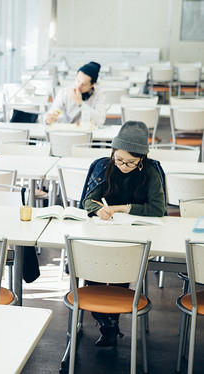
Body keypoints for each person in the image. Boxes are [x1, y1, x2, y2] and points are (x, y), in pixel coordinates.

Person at [79, 120, 167, 347]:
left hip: (135, 238)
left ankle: (110, 322)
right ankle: (104, 320)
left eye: (131, 162)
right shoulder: (104, 166)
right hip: (102, 233)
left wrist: (121, 208)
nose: (123, 166)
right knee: (94, 262)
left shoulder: (150, 171)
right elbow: (87, 201)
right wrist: (98, 210)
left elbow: (158, 209)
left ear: (142, 159)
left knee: (120, 266)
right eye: (119, 159)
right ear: (113, 153)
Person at [45, 61, 106, 126]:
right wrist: (47, 120)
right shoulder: (64, 92)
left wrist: (80, 103)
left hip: (88, 133)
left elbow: (100, 121)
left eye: (84, 84)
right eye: (78, 80)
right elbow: (52, 113)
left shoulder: (99, 93)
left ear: (92, 85)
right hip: (67, 131)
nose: (79, 86)